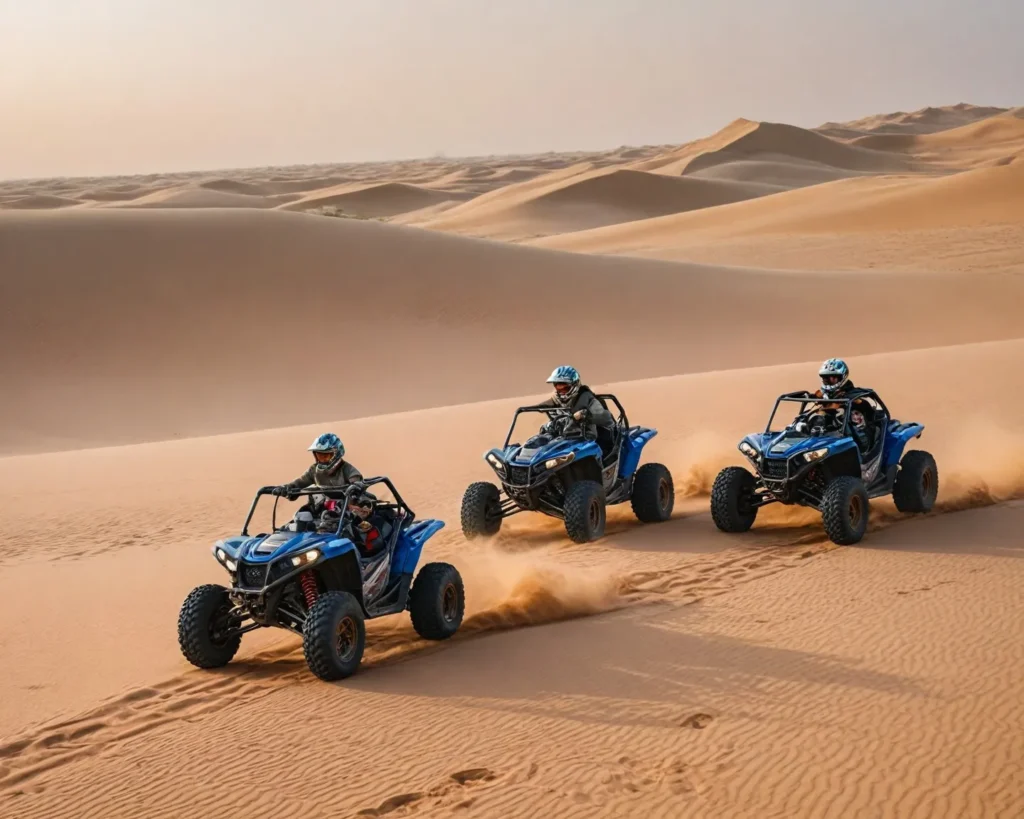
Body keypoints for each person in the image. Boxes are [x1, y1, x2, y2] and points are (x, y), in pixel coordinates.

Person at [797, 359, 875, 452]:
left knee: (851, 415)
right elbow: (816, 397)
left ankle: (861, 456)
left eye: (833, 378)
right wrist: (808, 397)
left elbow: (865, 406)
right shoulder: (825, 393)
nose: (829, 381)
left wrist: (852, 403)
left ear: (842, 377)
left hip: (853, 436)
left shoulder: (852, 394)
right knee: (807, 416)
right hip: (826, 433)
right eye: (826, 378)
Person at [538, 366, 615, 450]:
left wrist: (586, 415)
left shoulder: (587, 398)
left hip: (586, 440)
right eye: (558, 387)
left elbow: (606, 417)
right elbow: (554, 418)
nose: (562, 391)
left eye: (565, 388)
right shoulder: (555, 400)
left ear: (575, 384)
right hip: (564, 440)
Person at [272, 433, 363, 499]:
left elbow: (357, 482)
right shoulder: (314, 470)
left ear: (336, 454)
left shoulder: (347, 469)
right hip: (321, 507)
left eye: (325, 456)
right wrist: (286, 488)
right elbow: (299, 482)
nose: (322, 459)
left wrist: (355, 487)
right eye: (319, 456)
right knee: (302, 515)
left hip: (345, 507)